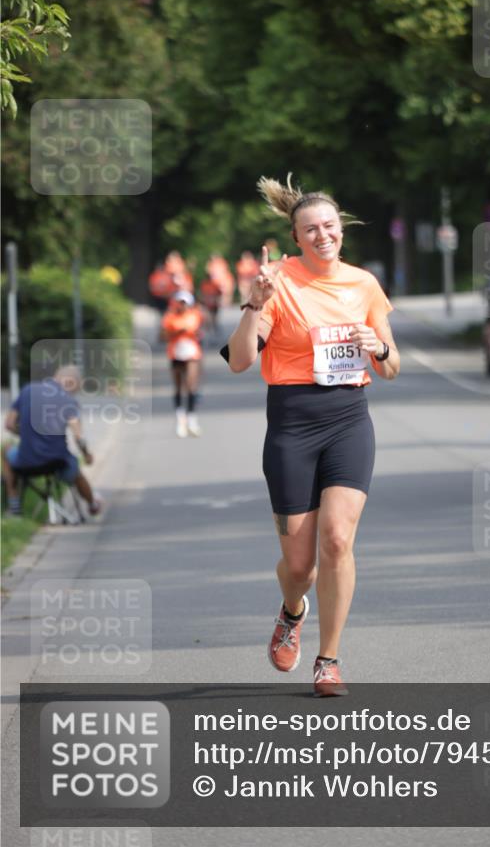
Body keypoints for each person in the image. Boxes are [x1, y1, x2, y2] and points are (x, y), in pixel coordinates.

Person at [221, 175, 399, 696]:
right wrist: (254, 304)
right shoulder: (277, 281)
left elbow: (391, 367)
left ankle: (329, 659)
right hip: (292, 425)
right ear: (296, 238)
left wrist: (378, 348)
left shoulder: (364, 285)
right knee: (299, 566)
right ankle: (292, 610)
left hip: (349, 420)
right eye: (311, 230)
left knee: (338, 539)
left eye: (329, 226)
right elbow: (239, 362)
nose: (323, 235)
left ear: (342, 228)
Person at [2, 366, 102, 518]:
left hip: (25, 462)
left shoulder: (28, 390)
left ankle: (14, 506)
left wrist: (26, 434)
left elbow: (9, 424)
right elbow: (78, 438)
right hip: (58, 463)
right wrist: (87, 455)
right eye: (76, 389)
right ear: (72, 383)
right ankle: (92, 505)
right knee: (76, 472)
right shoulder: (69, 401)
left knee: (6, 450)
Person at [161, 290, 204, 438]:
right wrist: (177, 333)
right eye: (180, 302)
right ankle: (180, 419)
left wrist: (198, 334)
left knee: (191, 385)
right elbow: (162, 336)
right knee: (178, 387)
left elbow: (200, 331)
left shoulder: (195, 315)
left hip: (192, 352)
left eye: (185, 303)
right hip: (175, 353)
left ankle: (192, 418)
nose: (182, 305)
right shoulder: (169, 317)